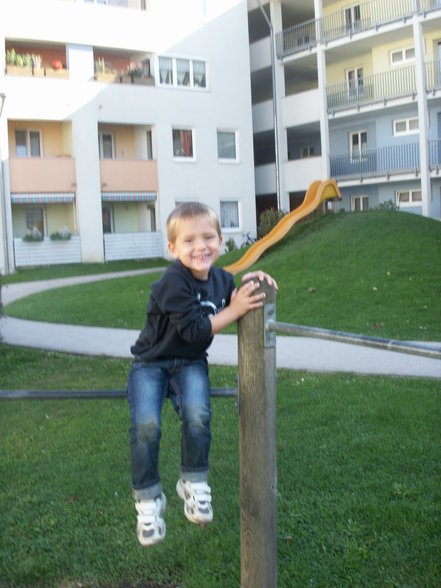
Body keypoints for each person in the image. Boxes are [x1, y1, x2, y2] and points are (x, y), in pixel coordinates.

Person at [127, 201, 277, 547]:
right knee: (146, 426)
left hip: (189, 364)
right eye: (189, 241)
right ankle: (149, 499)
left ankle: (193, 482)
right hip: (151, 363)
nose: (200, 247)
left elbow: (238, 293)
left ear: (221, 240)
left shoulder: (221, 280)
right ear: (173, 248)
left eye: (208, 237)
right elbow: (195, 331)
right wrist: (235, 309)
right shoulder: (171, 282)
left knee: (198, 415)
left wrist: (257, 280)